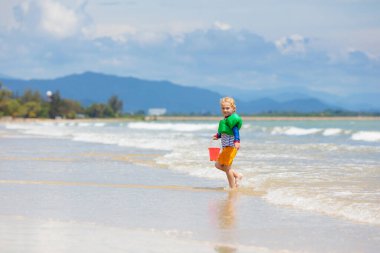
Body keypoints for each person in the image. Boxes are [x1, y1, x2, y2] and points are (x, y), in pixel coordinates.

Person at [213, 97, 243, 189]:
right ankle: (237, 175)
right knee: (218, 165)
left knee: (227, 168)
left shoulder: (232, 120)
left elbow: (236, 131)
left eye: (227, 108)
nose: (225, 110)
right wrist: (218, 136)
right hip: (226, 148)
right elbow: (225, 132)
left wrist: (237, 141)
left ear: (233, 109)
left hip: (231, 147)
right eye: (223, 108)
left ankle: (232, 187)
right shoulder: (226, 120)